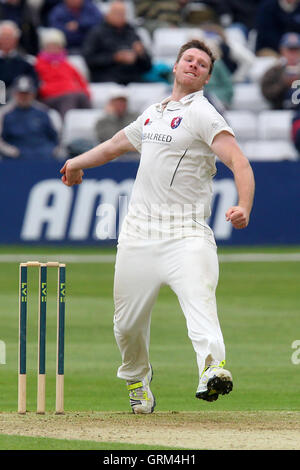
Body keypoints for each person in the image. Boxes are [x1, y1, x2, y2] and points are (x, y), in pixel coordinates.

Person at [60, 39, 255, 413]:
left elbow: (240, 163)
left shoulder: (204, 114)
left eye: (202, 64)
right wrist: (76, 162)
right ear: (176, 66)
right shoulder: (154, 112)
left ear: (207, 77)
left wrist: (244, 205)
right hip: (138, 233)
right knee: (127, 325)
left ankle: (212, 369)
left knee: (199, 302)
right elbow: (117, 143)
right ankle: (137, 379)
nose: (194, 65)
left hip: (187, 233)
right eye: (189, 59)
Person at [82, 0, 152, 84]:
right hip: (106, 78)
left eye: (122, 14)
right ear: (107, 15)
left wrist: (141, 54)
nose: (120, 16)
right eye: (116, 13)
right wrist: (114, 58)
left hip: (132, 78)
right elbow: (89, 60)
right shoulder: (96, 33)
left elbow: (147, 66)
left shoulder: (132, 32)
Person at [35, 28, 91, 119]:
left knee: (82, 96)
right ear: (44, 47)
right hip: (49, 98)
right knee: (69, 98)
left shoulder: (66, 64)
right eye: (50, 46)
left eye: (56, 46)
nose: (53, 49)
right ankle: (66, 127)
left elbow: (80, 80)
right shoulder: (38, 64)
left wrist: (86, 93)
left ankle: (89, 123)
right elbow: (37, 84)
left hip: (70, 94)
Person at [0, 76, 59, 160]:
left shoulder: (43, 112)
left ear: (33, 94)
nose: (24, 97)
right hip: (17, 158)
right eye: (21, 93)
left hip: (44, 155)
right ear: (14, 94)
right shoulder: (5, 113)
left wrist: (52, 151)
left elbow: (54, 137)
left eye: (27, 93)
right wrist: (12, 152)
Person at [261, 32, 300, 109]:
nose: (293, 53)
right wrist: (284, 83)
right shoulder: (274, 70)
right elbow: (266, 93)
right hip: (280, 111)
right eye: (290, 50)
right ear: (282, 50)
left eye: (296, 50)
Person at [0, 20, 38, 93]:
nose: (7, 40)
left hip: (19, 98)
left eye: (9, 37)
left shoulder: (26, 62)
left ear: (16, 39)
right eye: (4, 37)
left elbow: (34, 84)